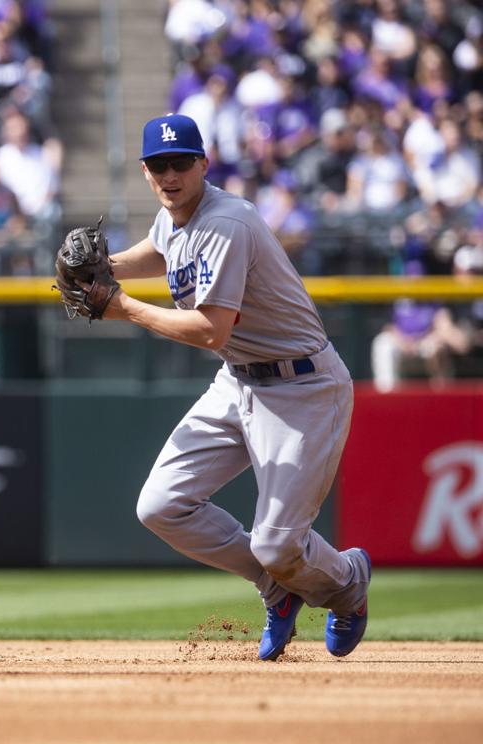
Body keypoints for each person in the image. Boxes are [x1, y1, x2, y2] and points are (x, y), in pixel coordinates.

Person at [99, 114, 371, 660]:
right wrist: (105, 267)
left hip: (302, 388)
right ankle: (278, 590)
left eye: (181, 163)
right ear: (146, 172)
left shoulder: (227, 223)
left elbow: (209, 329)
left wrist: (121, 305)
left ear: (204, 163)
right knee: (161, 506)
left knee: (277, 543)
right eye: (159, 165)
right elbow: (160, 249)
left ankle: (346, 581)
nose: (169, 175)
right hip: (239, 380)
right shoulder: (176, 215)